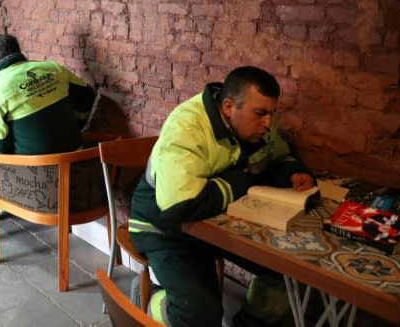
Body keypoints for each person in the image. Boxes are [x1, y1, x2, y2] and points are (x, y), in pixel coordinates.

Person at [128, 66, 315, 327]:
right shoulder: (187, 126)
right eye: (260, 114)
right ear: (228, 107)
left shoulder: (256, 123)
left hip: (216, 224)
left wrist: (293, 171)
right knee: (200, 316)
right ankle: (150, 302)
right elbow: (180, 207)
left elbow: (277, 156)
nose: (268, 124)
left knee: (287, 275)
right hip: (161, 227)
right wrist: (243, 179)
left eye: (272, 113)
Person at [0, 34, 99, 208]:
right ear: (19, 51)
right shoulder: (53, 67)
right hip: (76, 165)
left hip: (37, 179)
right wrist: (78, 124)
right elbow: (87, 97)